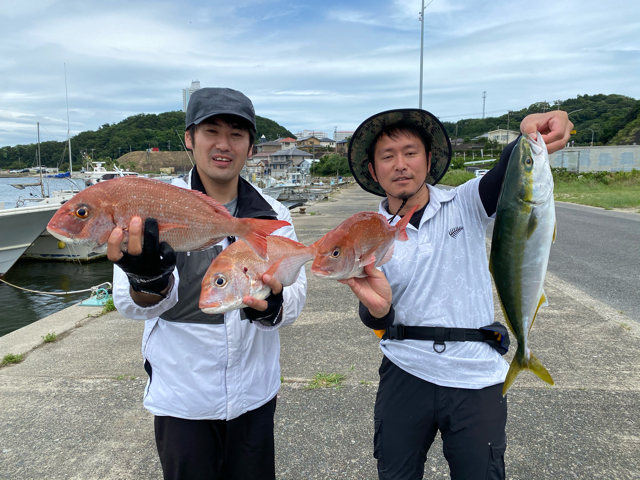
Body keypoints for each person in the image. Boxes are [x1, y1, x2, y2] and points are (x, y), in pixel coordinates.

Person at [342, 108, 572, 480]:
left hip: (476, 374)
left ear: (428, 160)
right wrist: (378, 311)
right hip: (405, 369)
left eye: (410, 152)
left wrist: (534, 129)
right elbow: (374, 313)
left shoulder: (466, 202)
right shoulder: (368, 233)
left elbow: (510, 169)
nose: (400, 164)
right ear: (373, 170)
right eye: (387, 156)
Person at [108, 87, 307, 480]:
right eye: (211, 131)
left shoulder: (274, 213)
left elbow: (296, 294)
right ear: (189, 139)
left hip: (255, 397)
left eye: (236, 134)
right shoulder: (157, 206)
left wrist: (273, 306)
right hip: (183, 403)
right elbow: (128, 303)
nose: (223, 144)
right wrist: (147, 276)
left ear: (251, 147)